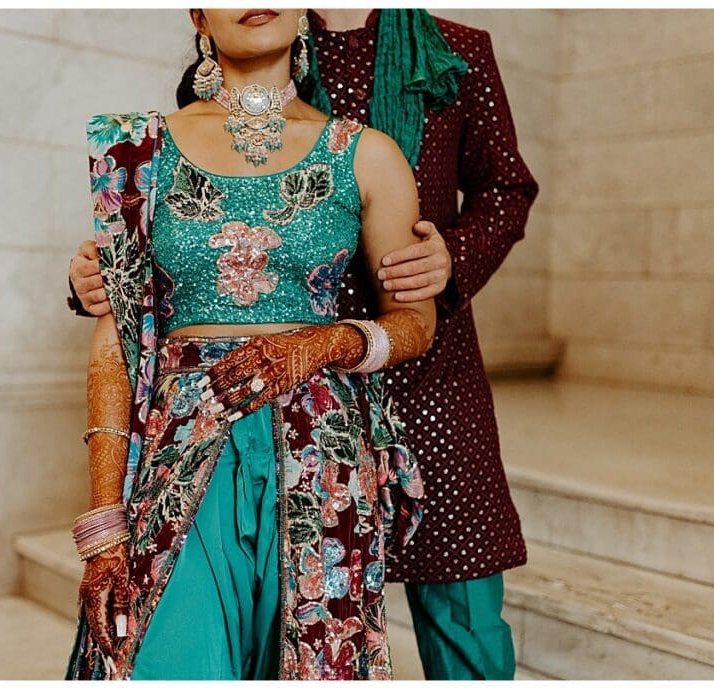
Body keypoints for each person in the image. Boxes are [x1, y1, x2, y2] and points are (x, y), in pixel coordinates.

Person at [67, 8, 540, 681]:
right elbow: (123, 323)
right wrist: (103, 528)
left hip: (340, 437)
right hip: (186, 447)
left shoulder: (388, 123)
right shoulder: (138, 148)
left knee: (432, 632)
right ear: (197, 13)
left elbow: (432, 295)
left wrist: (341, 333)